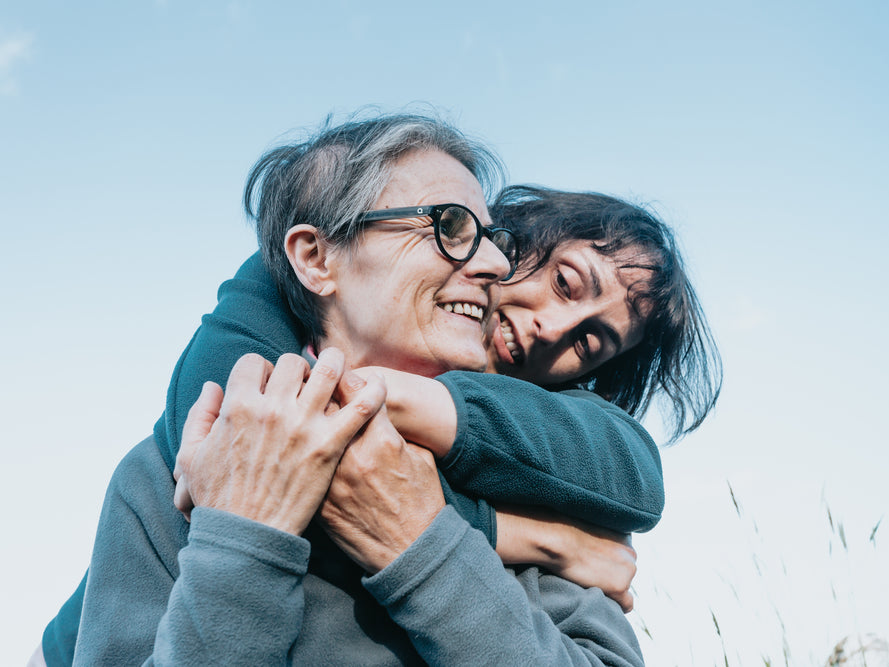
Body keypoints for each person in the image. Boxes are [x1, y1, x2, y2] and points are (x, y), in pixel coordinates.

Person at [41, 112, 719, 665]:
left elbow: (632, 467)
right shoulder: (184, 451)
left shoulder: (554, 480)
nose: (550, 329)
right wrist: (501, 534)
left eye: (589, 344)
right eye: (457, 231)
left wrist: (426, 540)